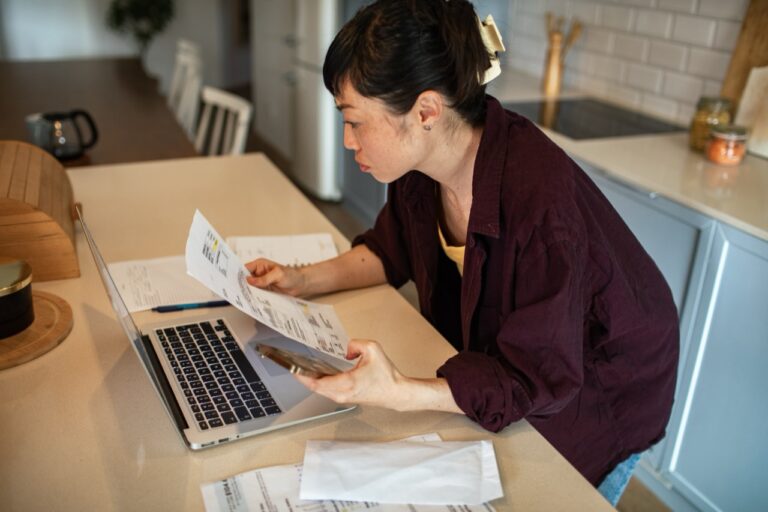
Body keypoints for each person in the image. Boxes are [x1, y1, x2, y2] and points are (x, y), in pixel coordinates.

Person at [246, 0, 678, 505]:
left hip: (603, 384)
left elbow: (534, 376)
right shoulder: (420, 169)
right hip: (530, 369)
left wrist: (400, 391)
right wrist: (300, 280)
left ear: (426, 111)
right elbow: (391, 251)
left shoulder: (538, 203)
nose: (347, 140)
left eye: (356, 121)